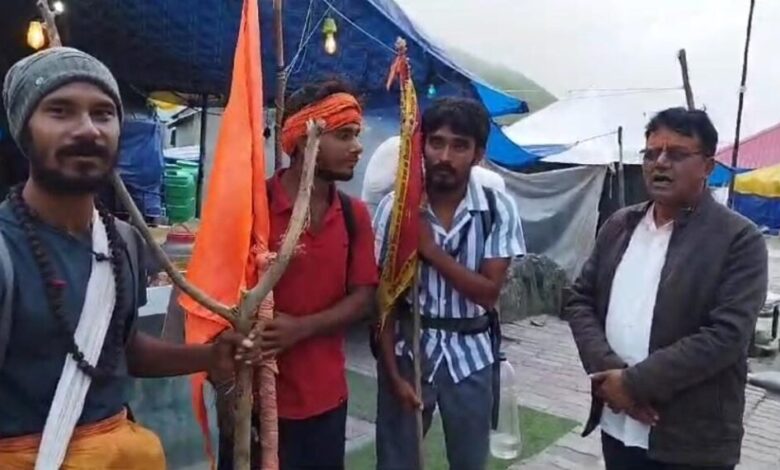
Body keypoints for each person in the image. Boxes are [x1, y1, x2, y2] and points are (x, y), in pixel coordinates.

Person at [0, 47, 262, 469]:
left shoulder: (121, 240)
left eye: (103, 114)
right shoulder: (6, 252)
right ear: (24, 130)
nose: (87, 130)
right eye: (60, 111)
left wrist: (208, 357)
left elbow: (121, 350)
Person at [566, 107, 767, 470]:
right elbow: (580, 299)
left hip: (690, 443)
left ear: (707, 166)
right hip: (617, 425)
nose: (659, 163)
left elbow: (726, 335)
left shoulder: (739, 240)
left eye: (676, 154)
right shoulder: (619, 225)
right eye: (651, 153)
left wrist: (634, 383)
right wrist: (613, 378)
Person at [213, 79, 379, 470]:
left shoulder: (355, 217)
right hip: (252, 398)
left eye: (357, 135)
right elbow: (217, 300)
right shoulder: (252, 208)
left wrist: (300, 328)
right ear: (305, 139)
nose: (357, 147)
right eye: (344, 135)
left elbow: (364, 298)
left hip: (326, 400)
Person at [373, 97, 526, 470]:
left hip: (472, 356)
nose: (445, 155)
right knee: (396, 462)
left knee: (469, 462)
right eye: (436, 142)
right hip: (410, 353)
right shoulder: (396, 209)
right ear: (421, 145)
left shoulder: (496, 208)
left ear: (478, 154)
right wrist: (392, 374)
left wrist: (429, 250)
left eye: (460, 145)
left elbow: (488, 293)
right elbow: (383, 302)